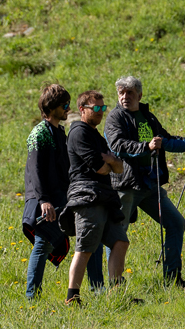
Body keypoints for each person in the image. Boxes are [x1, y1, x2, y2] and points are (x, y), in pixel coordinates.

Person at [104, 75, 185, 287]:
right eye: (121, 92)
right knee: (117, 234)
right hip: (126, 186)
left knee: (176, 223)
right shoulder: (115, 118)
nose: (125, 96)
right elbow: (117, 145)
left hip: (150, 185)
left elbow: (166, 141)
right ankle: (115, 287)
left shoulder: (148, 117)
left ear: (139, 95)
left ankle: (172, 279)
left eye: (130, 92)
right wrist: (146, 146)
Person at [22, 84, 104, 299]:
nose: (68, 109)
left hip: (63, 197)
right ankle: (32, 297)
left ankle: (98, 289)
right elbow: (35, 170)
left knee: (91, 234)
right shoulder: (39, 133)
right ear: (51, 107)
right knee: (43, 245)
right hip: (45, 200)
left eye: (68, 104)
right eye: (64, 105)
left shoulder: (59, 131)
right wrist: (44, 200)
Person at [58, 90, 128, 305]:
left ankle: (116, 295)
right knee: (85, 247)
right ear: (82, 109)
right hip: (87, 197)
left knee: (120, 241)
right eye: (96, 108)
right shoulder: (79, 132)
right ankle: (72, 297)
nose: (100, 112)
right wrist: (110, 162)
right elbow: (101, 168)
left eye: (103, 108)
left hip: (104, 197)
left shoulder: (96, 136)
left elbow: (119, 168)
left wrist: (111, 161)